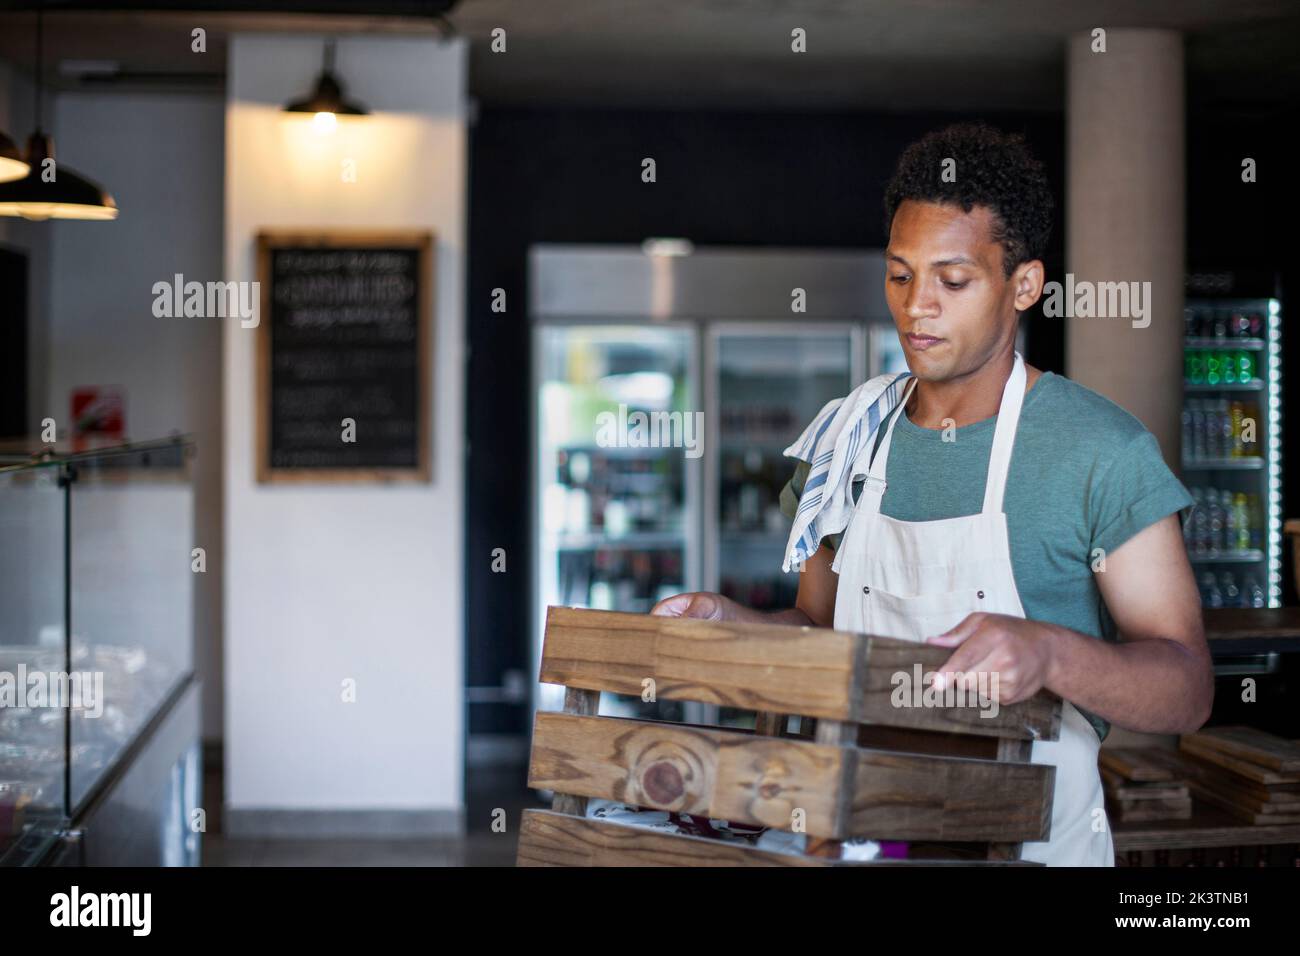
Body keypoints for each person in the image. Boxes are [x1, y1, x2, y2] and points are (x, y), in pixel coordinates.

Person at [651, 122, 1213, 866]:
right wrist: (736, 625)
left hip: (1031, 845)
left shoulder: (1100, 452)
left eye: (952, 281)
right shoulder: (845, 440)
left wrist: (1049, 655)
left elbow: (1187, 688)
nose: (918, 307)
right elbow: (820, 634)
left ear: (1024, 285)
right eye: (900, 275)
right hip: (853, 838)